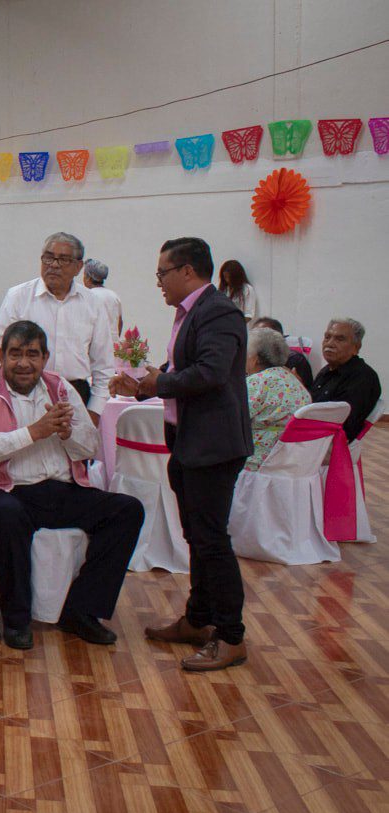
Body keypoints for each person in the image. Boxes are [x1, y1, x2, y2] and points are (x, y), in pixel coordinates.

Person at [0, 321, 141, 650]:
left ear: (45, 357)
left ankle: (82, 610)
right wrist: (36, 431)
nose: (23, 363)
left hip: (57, 489)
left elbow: (88, 449)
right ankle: (17, 619)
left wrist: (69, 433)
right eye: (15, 354)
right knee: (8, 515)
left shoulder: (60, 388)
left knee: (127, 510)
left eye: (32, 355)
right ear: (1, 355)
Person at [113, 237, 252, 672]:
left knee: (212, 540)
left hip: (212, 445)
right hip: (190, 441)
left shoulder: (219, 312)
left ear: (187, 271)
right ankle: (198, 618)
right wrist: (143, 384)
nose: (158, 283)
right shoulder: (192, 314)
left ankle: (231, 636)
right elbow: (182, 369)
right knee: (197, 536)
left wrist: (159, 384)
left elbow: (210, 372)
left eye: (162, 274)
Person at [0, 232, 115, 420]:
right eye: (48, 258)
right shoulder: (18, 297)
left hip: (76, 398)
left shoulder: (93, 304)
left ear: (78, 267)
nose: (53, 265)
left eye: (63, 259)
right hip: (25, 396)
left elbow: (104, 366)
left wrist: (94, 411)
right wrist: (6, 402)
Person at [243, 327, 312, 470]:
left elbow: (233, 420)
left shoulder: (256, 382)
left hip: (257, 462)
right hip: (291, 461)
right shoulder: (296, 382)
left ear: (254, 359)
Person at [310, 318, 382, 442]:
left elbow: (344, 423)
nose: (330, 344)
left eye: (339, 339)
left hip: (330, 442)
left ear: (356, 347)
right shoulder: (327, 371)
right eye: (327, 337)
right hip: (313, 436)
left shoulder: (362, 377)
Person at [251, 317, 314, 390]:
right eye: (254, 337)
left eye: (265, 337)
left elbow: (309, 394)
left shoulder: (296, 360)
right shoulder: (249, 357)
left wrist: (298, 384)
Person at [83, 259, 122, 337]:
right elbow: (120, 322)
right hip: (113, 345)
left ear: (88, 278)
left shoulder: (88, 296)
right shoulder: (114, 296)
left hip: (95, 346)